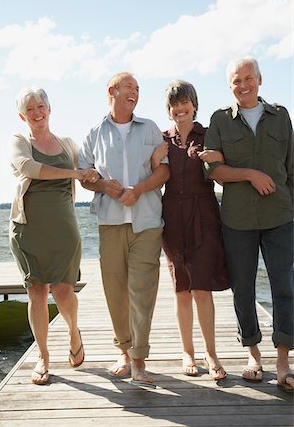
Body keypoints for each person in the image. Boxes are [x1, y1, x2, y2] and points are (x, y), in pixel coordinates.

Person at [201, 56, 294, 392]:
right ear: (230, 87)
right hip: (238, 220)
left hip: (280, 217)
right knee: (243, 288)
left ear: (259, 79)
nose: (243, 85)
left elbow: (291, 169)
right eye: (236, 81)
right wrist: (250, 175)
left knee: (285, 287)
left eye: (248, 78)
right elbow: (212, 170)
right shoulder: (220, 121)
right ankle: (254, 356)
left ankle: (284, 362)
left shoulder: (281, 117)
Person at [78, 72, 169, 387]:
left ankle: (140, 360)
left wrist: (139, 189)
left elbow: (164, 171)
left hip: (146, 222)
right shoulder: (94, 133)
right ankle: (124, 351)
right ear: (112, 91)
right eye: (129, 87)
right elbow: (84, 175)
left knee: (143, 290)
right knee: (115, 291)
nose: (135, 92)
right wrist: (105, 184)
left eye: (138, 89)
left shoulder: (151, 128)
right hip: (110, 222)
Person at [9, 86, 99, 385]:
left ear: (49, 108)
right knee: (36, 292)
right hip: (28, 226)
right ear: (23, 115)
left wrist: (94, 175)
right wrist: (73, 174)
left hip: (63, 227)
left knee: (63, 291)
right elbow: (28, 167)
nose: (37, 113)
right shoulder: (20, 141)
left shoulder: (68, 144)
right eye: (30, 109)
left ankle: (74, 331)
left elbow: (88, 171)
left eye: (41, 106)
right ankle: (43, 357)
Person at [152, 80, 229, 380]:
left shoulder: (209, 135)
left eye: (185, 102)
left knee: (202, 288)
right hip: (171, 216)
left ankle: (211, 354)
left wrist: (217, 158)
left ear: (194, 104)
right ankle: (188, 352)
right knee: (181, 288)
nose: (179, 108)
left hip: (205, 215)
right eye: (174, 104)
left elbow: (221, 173)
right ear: (168, 109)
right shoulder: (161, 139)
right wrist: (153, 156)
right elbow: (153, 173)